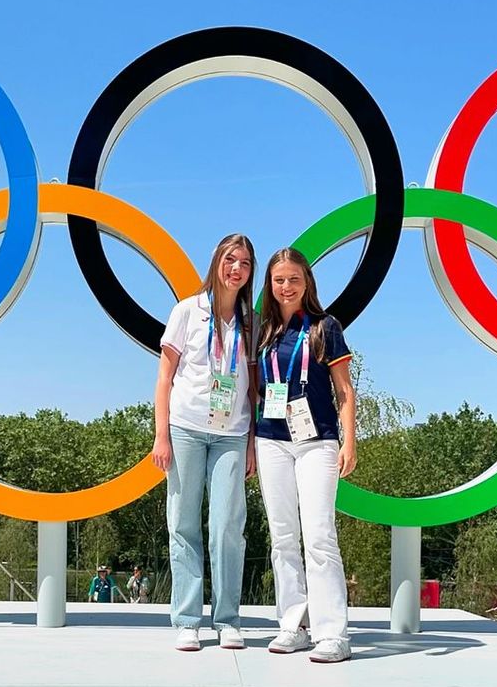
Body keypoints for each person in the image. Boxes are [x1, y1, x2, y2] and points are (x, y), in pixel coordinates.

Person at [153, 233, 258, 651]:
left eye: (246, 263)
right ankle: (187, 619)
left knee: (229, 526)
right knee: (183, 523)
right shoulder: (186, 311)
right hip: (186, 429)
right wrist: (161, 435)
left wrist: (251, 443)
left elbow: (253, 388)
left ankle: (228, 618)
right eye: (231, 260)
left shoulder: (251, 320)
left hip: (232, 434)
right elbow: (165, 376)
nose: (236, 269)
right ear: (216, 262)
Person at [254, 248, 356, 663]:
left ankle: (333, 634)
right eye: (279, 280)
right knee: (282, 538)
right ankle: (292, 624)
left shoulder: (325, 327)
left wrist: (350, 441)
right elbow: (255, 391)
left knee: (318, 536)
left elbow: (345, 391)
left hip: (317, 440)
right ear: (270, 285)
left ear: (307, 282)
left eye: (294, 278)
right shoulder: (262, 331)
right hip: (271, 440)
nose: (286, 286)